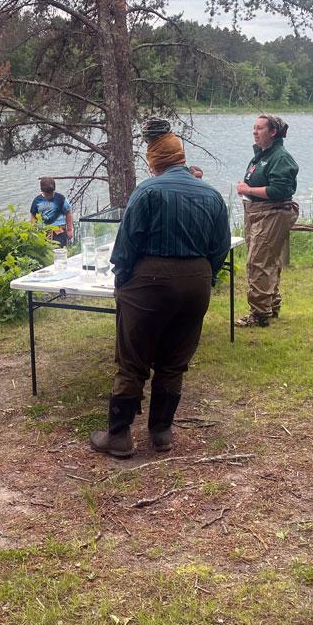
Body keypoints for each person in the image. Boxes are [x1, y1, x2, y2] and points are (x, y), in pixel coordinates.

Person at [90, 122, 231, 457]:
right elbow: (221, 246)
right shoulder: (211, 194)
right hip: (196, 285)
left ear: (154, 161)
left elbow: (125, 247)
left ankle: (120, 436)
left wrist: (122, 281)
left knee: (133, 360)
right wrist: (203, 276)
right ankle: (162, 432)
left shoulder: (148, 192)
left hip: (149, 285)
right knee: (174, 361)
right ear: (180, 158)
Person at [235, 114, 300, 327]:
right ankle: (271, 304)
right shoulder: (262, 155)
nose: (255, 132)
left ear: (273, 132)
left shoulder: (280, 157)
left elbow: (281, 189)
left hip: (272, 213)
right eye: (253, 128)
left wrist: (249, 189)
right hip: (257, 212)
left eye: (260, 128)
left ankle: (260, 314)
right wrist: (247, 191)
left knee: (258, 262)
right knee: (266, 261)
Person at [29, 177, 74, 247]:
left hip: (60, 231)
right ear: (42, 191)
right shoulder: (37, 201)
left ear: (54, 189)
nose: (49, 196)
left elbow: (68, 213)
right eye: (47, 194)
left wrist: (70, 230)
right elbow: (33, 216)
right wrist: (33, 231)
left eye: (51, 193)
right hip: (44, 232)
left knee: (59, 252)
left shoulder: (61, 199)